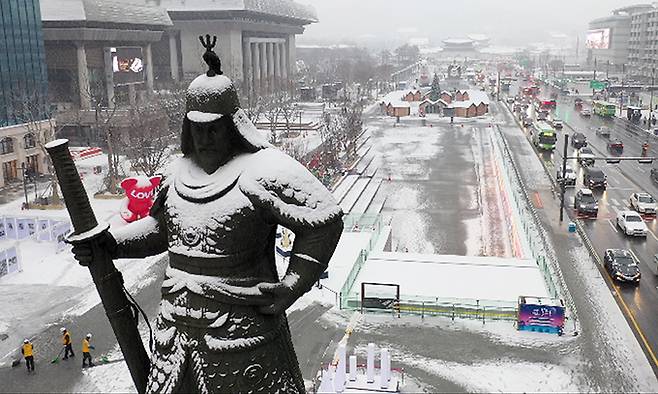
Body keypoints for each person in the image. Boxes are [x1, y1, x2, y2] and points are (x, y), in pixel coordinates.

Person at [71, 35, 343, 393]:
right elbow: (160, 230)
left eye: (214, 127)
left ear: (233, 125)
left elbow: (324, 220)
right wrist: (112, 243)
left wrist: (292, 285)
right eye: (197, 128)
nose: (205, 137)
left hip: (244, 336)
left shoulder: (263, 170)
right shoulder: (179, 172)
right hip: (175, 336)